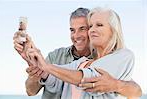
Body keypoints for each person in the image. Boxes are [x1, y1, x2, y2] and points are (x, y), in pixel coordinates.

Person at [13, 8, 142, 99]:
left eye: (83, 29)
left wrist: (117, 85)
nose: (76, 35)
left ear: (113, 30)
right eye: (72, 30)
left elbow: (136, 90)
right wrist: (32, 58)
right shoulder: (65, 58)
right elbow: (32, 90)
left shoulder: (118, 57)